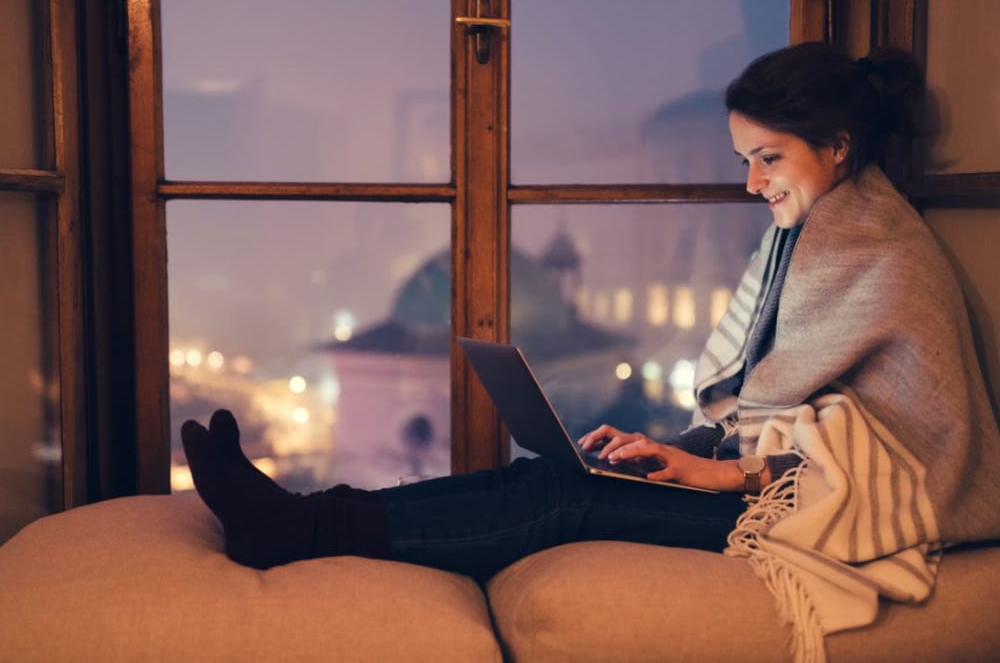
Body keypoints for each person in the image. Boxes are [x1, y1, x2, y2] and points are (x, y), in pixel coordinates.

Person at [182, 42, 1000, 661]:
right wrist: (678, 450)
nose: (752, 183)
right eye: (745, 160)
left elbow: (906, 465)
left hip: (833, 520)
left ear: (840, 145)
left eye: (768, 158)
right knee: (546, 474)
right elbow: (802, 415)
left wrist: (717, 474)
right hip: (775, 488)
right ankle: (303, 515)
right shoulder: (826, 238)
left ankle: (296, 528)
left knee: (563, 503)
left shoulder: (885, 259)